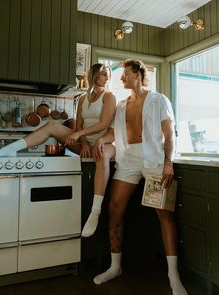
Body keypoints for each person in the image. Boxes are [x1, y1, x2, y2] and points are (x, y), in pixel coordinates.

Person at [92, 59, 188, 295]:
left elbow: (169, 134)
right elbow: (114, 133)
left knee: (164, 214)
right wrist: (100, 140)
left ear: (138, 74)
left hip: (154, 160)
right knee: (114, 208)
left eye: (125, 74)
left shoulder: (159, 100)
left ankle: (173, 276)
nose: (121, 78)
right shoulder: (122, 105)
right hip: (128, 160)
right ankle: (115, 267)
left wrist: (168, 163)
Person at [0, 63, 116, 238]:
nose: (106, 77)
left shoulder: (109, 96)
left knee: (102, 155)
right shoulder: (82, 99)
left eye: (107, 74)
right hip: (85, 143)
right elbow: (79, 124)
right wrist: (85, 143)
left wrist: (81, 134)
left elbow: (103, 123)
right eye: (103, 73)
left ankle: (95, 211)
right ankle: (11, 148)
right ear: (94, 75)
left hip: (104, 143)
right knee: (51, 125)